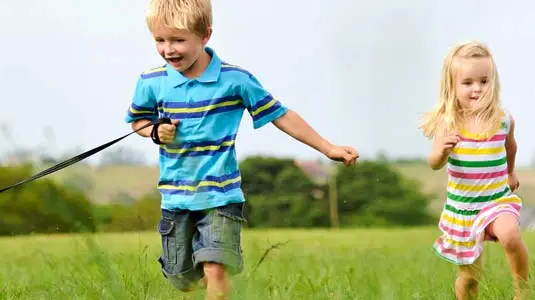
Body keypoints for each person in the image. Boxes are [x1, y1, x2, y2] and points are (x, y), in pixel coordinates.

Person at [123, 1, 359, 298]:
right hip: (176, 197)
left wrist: (329, 148)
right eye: (160, 40)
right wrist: (155, 130)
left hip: (221, 196)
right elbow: (137, 121)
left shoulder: (235, 80)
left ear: (205, 35)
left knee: (216, 270)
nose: (168, 49)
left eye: (178, 40)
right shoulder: (151, 81)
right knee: (182, 278)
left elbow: (280, 114)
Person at [419, 40, 530, 300]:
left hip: (496, 199)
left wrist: (510, 173)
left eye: (484, 81)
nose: (477, 89)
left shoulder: (503, 119)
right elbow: (434, 163)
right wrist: (442, 152)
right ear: (452, 86)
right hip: (464, 209)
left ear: (494, 82)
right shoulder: (448, 122)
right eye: (468, 83)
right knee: (470, 279)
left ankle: (522, 291)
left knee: (510, 235)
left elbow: (510, 147)